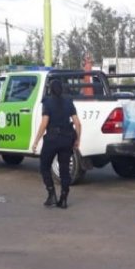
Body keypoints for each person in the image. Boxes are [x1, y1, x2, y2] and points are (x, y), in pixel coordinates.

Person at [32, 80, 82, 209]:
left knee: (44, 167)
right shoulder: (69, 102)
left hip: (52, 140)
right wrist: (77, 140)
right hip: (67, 139)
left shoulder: (47, 102)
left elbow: (44, 124)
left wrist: (36, 141)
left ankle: (51, 195)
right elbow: (78, 123)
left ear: (50, 90)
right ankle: (63, 199)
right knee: (64, 170)